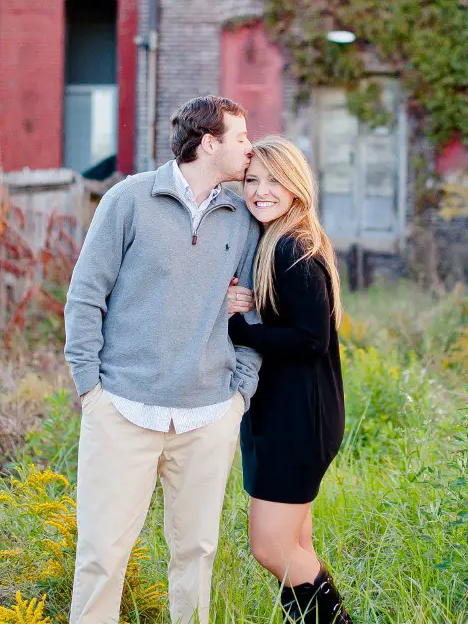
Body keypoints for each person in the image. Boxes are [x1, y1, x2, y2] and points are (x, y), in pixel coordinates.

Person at [64, 95, 261, 624]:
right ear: (210, 142)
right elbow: (86, 295)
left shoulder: (243, 217)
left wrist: (240, 394)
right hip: (122, 408)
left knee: (196, 555)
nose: (250, 147)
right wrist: (90, 388)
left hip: (208, 414)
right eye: (241, 137)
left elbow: (253, 312)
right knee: (103, 556)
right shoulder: (128, 200)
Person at [227, 135, 352, 623]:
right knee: (296, 545)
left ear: (296, 185)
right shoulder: (276, 239)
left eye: (274, 180)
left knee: (272, 548)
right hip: (287, 411)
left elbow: (310, 338)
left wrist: (242, 328)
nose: (261, 190)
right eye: (252, 180)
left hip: (297, 419)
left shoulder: (292, 247)